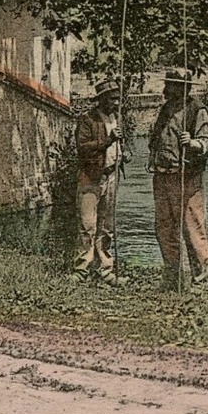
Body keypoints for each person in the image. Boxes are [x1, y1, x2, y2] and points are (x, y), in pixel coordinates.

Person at [147, 69, 208, 287]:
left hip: (186, 176)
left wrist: (193, 143)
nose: (167, 88)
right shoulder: (166, 109)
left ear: (184, 88)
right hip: (162, 174)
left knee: (192, 226)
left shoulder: (197, 110)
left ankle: (201, 275)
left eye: (173, 84)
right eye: (168, 83)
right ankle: (172, 274)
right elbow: (157, 137)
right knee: (164, 226)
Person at [74, 77, 125, 284]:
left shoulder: (118, 118)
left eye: (117, 99)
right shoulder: (87, 119)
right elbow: (83, 147)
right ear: (102, 99)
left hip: (111, 176)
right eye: (112, 99)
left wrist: (123, 152)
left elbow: (118, 144)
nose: (116, 103)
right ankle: (82, 269)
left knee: (106, 227)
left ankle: (105, 269)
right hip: (91, 177)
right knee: (88, 225)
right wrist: (108, 140)